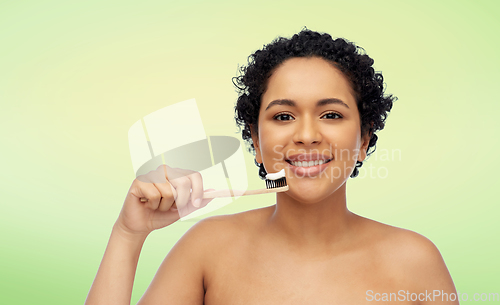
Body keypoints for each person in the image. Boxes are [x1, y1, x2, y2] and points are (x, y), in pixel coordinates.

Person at [85, 28, 459, 304]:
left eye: (330, 114)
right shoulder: (208, 248)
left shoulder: (414, 261)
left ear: (363, 140)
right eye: (283, 116)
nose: (307, 135)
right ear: (257, 140)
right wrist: (127, 234)